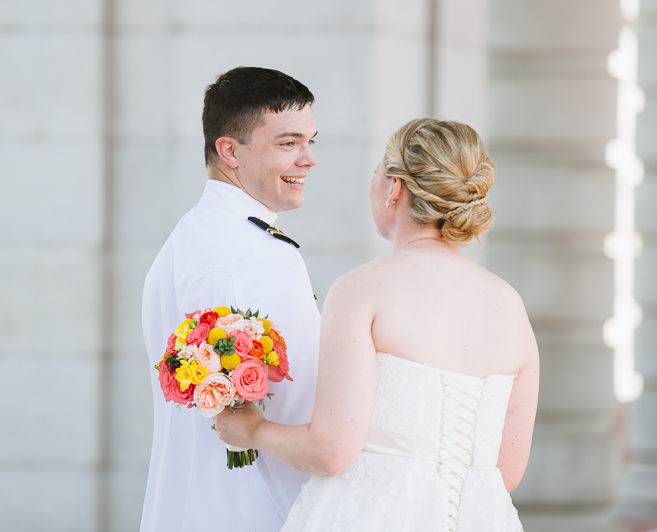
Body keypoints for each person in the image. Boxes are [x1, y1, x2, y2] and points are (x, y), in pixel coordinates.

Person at [214, 118, 539, 531]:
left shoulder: (362, 289)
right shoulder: (511, 307)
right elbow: (504, 472)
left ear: (395, 189)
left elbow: (330, 450)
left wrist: (253, 428)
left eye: (377, 173)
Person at [139, 66, 321, 532]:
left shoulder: (188, 237)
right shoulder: (252, 254)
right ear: (229, 151)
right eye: (288, 143)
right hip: (253, 507)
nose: (308, 159)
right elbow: (285, 405)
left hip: (190, 502)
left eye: (310, 141)